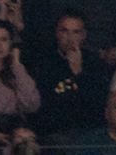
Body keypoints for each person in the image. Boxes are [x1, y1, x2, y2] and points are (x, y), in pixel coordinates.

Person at [33, 9, 111, 140]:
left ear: (83, 35)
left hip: (89, 131)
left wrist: (78, 73)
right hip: (55, 131)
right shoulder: (44, 62)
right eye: (64, 31)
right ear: (57, 33)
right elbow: (43, 104)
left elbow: (99, 104)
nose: (70, 38)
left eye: (76, 32)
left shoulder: (95, 63)